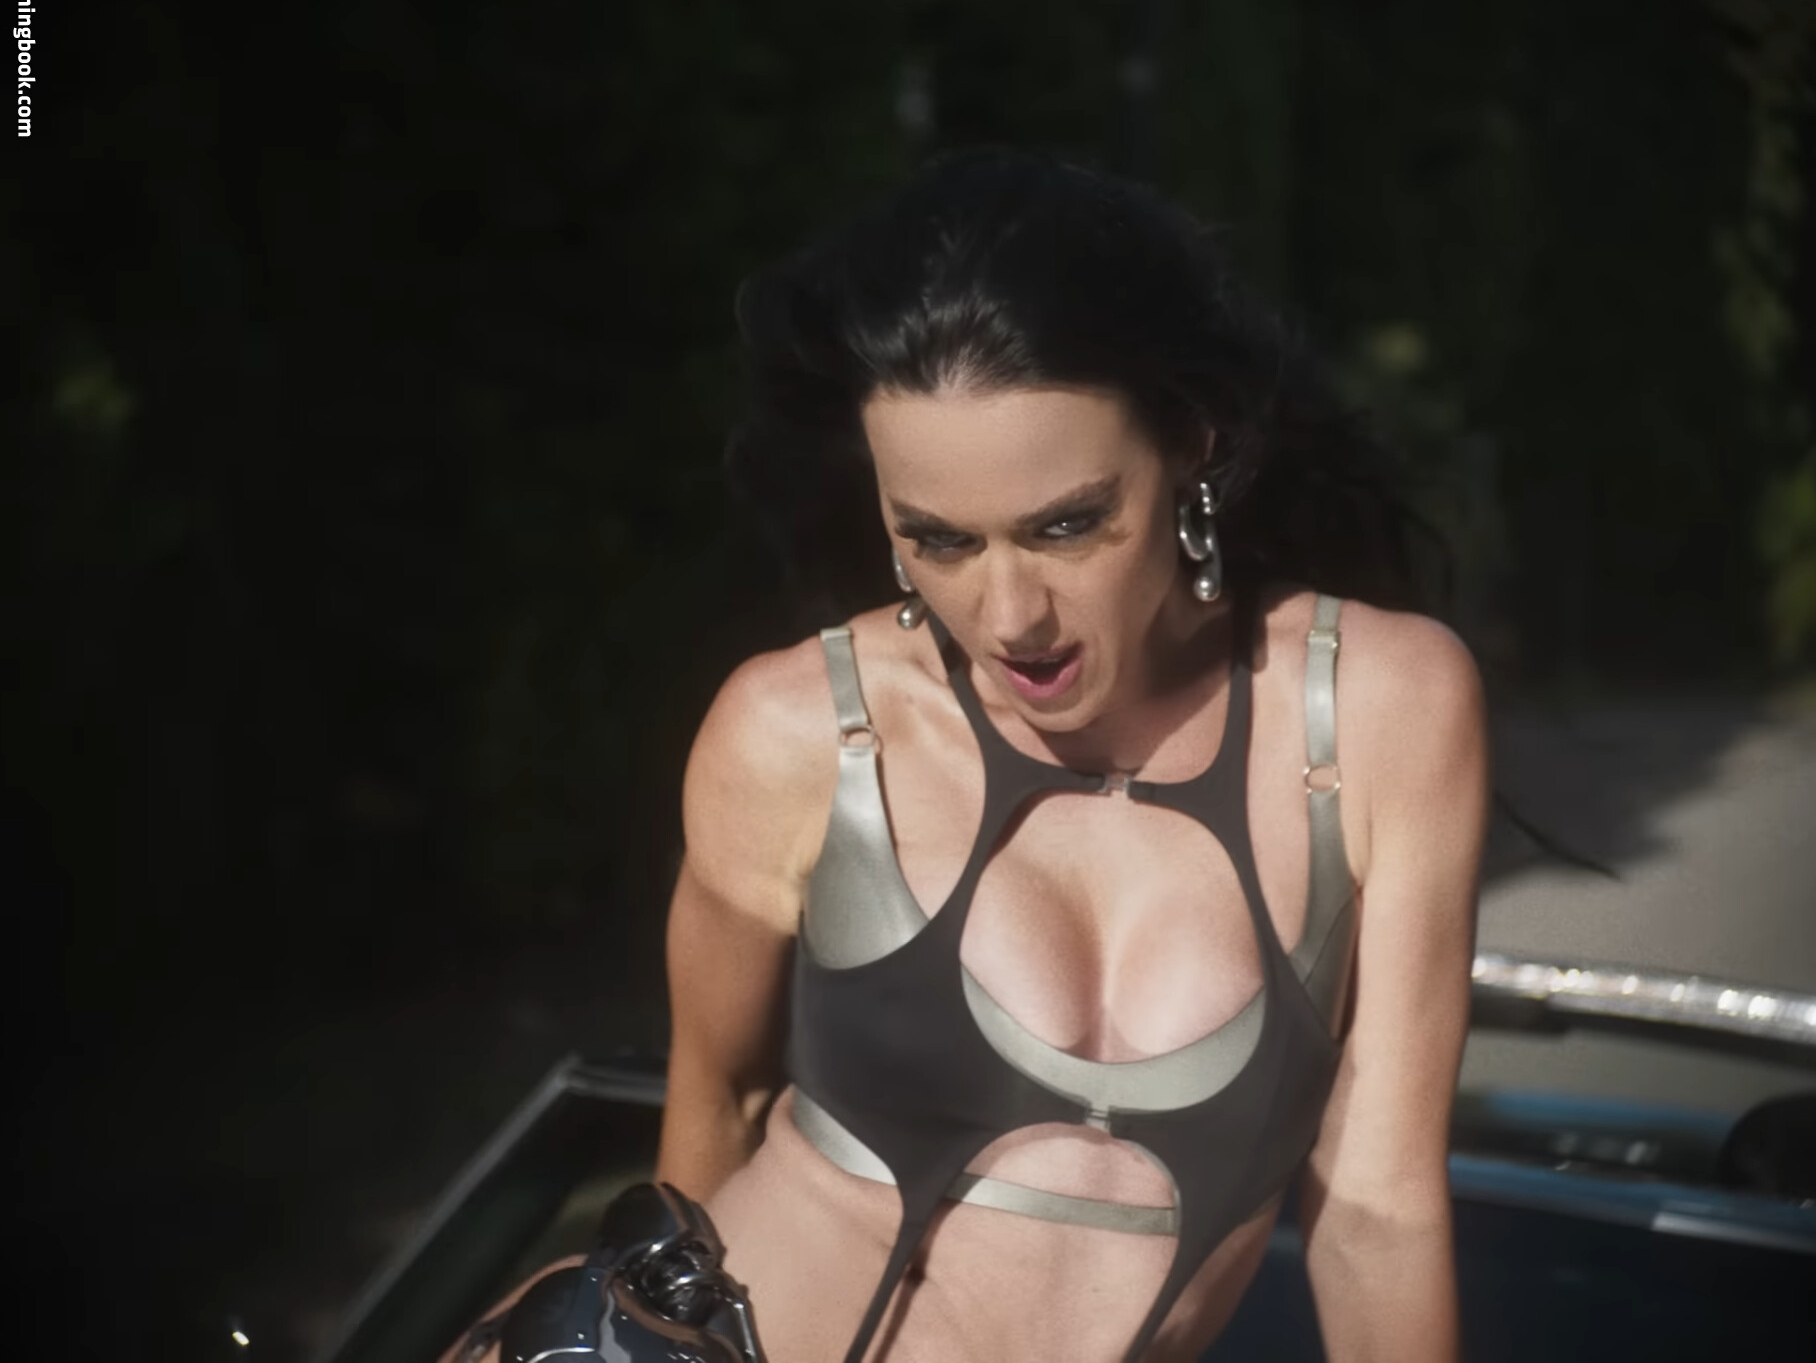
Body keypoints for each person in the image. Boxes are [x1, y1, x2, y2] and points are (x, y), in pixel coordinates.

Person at [455, 148, 1489, 1363]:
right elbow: (711, 1123)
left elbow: (1376, 1213)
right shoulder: (796, 730)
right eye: (937, 541)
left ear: (1190, 446)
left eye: (1066, 526)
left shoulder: (1379, 710)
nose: (1009, 617)